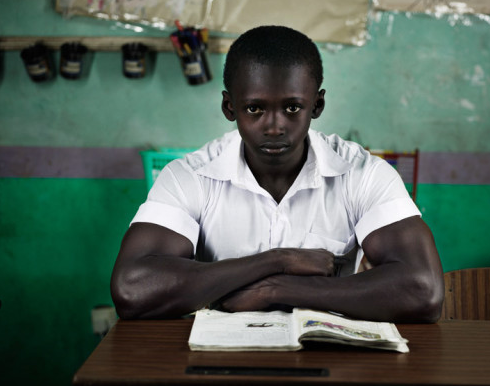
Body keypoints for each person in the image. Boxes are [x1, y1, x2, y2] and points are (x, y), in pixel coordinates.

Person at [111, 25, 444, 323]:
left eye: (292, 108)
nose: (274, 126)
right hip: (217, 370)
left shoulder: (364, 173)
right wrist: (278, 260)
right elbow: (133, 288)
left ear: (317, 105)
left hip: (334, 368)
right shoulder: (189, 176)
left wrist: (275, 290)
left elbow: (422, 289)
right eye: (255, 109)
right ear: (230, 108)